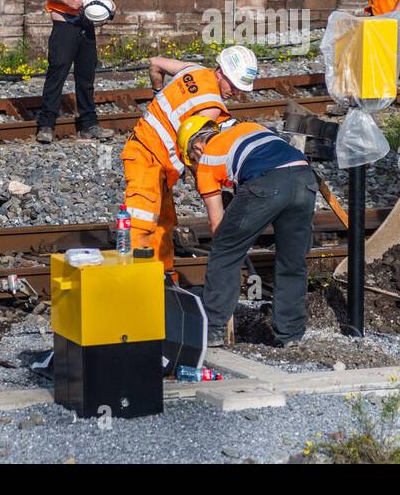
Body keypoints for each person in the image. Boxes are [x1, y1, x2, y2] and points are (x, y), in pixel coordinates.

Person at [177, 117, 317, 349]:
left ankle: (213, 330)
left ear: (197, 146)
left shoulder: (208, 157)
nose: (196, 164)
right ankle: (290, 334)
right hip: (304, 178)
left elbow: (217, 225)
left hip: (267, 182)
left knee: (224, 252)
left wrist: (231, 239)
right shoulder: (249, 128)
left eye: (193, 160)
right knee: (292, 260)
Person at [121, 45, 259, 276]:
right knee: (141, 223)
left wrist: (157, 92)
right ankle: (135, 285)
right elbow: (198, 154)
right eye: (234, 86)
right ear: (220, 73)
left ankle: (163, 281)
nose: (236, 93)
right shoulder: (210, 108)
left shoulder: (194, 70)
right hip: (148, 160)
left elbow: (154, 63)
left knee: (163, 225)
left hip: (150, 158)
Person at [35, 0, 116, 144]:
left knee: (86, 76)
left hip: (86, 23)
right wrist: (66, 0)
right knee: (57, 73)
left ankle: (89, 124)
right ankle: (46, 124)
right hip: (65, 22)